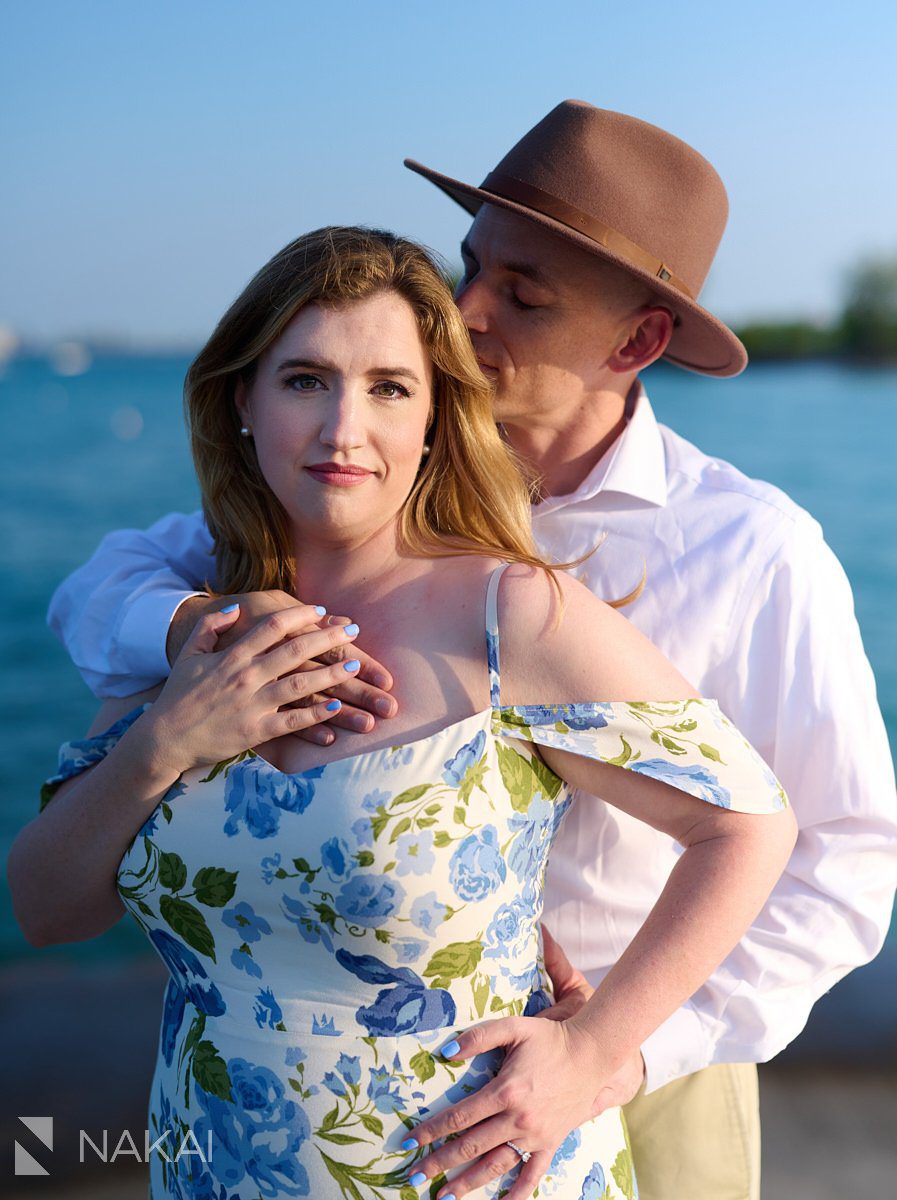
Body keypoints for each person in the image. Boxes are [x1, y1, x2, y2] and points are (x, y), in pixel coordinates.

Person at [44, 103, 897, 1200]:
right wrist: (192, 635)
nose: (466, 309)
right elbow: (105, 585)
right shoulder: (374, 471)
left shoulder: (751, 550)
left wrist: (618, 1053)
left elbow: (847, 860)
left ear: (635, 343)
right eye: (471, 265)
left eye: (523, 295)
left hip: (656, 1060)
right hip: (374, 1073)